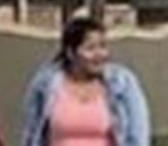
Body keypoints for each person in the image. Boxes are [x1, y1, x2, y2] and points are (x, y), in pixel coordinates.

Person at [22, 16, 152, 146]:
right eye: (90, 48)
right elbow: (31, 133)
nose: (99, 54)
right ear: (70, 53)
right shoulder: (45, 84)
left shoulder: (122, 83)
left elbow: (138, 135)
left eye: (102, 46)